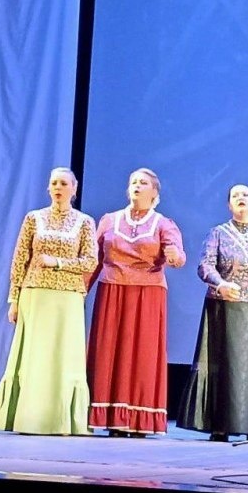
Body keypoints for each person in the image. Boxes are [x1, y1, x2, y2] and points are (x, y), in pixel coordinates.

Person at [0, 167, 98, 435]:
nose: (58, 187)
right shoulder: (34, 218)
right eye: (54, 183)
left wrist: (58, 262)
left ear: (74, 189)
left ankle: (62, 419)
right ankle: (29, 417)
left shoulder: (84, 222)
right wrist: (14, 299)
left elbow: (90, 261)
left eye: (64, 183)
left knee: (63, 356)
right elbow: (19, 260)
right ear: (48, 188)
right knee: (35, 356)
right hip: (35, 293)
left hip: (68, 296)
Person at [176, 184, 248, 442]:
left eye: (245, 194)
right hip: (224, 308)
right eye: (235, 196)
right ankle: (221, 425)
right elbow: (205, 266)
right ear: (229, 205)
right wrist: (221, 284)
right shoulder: (218, 233)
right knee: (226, 366)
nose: (240, 198)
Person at [86, 167, 185, 436]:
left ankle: (140, 419)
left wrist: (174, 255)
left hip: (147, 294)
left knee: (142, 354)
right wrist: (82, 289)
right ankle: (110, 416)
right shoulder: (109, 220)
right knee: (109, 351)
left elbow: (176, 252)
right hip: (112, 290)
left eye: (143, 183)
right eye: (133, 182)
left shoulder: (163, 224)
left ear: (155, 193)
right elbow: (94, 259)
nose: (137, 186)